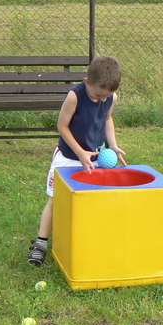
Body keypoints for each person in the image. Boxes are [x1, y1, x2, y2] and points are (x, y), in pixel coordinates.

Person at [27, 56, 126, 266]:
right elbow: (62, 126)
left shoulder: (110, 97)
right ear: (87, 81)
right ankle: (41, 244)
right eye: (98, 95)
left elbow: (107, 119)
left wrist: (114, 145)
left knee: (93, 199)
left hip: (95, 158)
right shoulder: (75, 96)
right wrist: (80, 152)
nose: (101, 100)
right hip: (69, 157)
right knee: (56, 201)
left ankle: (89, 239)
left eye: (105, 97)